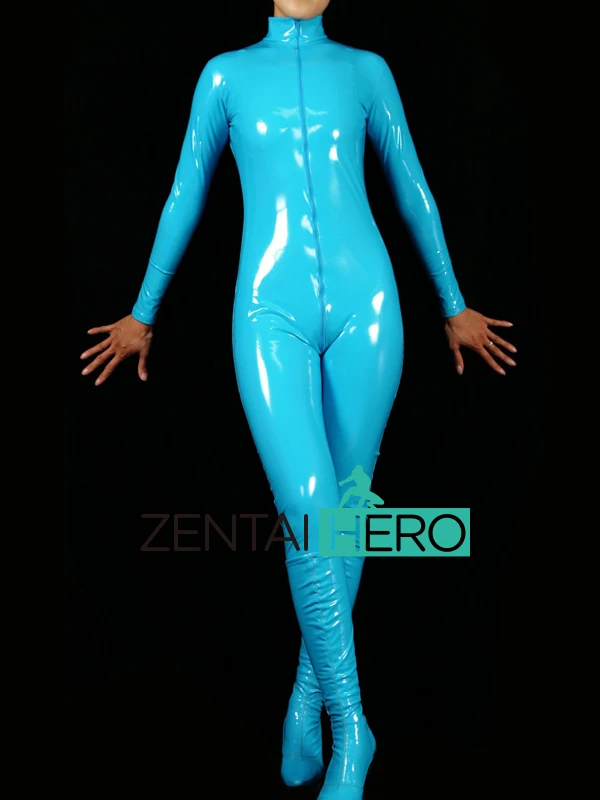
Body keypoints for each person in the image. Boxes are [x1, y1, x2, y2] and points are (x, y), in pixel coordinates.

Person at [80, 1, 517, 796]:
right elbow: (185, 191)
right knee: (309, 505)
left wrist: (452, 303)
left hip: (369, 306)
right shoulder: (225, 76)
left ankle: (305, 703)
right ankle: (353, 730)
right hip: (267, 309)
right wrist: (143, 312)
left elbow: (413, 186)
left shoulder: (367, 71)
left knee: (345, 514)